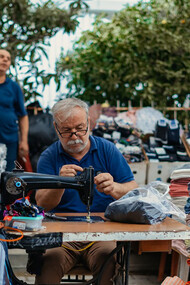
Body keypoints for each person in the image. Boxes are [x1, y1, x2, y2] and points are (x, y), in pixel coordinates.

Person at [35, 98, 138, 285]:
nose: (74, 136)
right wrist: (59, 183)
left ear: (89, 123)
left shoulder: (107, 150)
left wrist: (114, 187)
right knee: (47, 267)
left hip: (100, 235)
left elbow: (133, 190)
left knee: (108, 264)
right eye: (66, 130)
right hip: (62, 237)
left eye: (80, 128)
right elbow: (41, 203)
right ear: (56, 128)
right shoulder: (49, 157)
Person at [0, 48, 29, 171]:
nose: (5, 60)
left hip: (9, 140)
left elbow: (23, 116)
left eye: (8, 58)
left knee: (7, 177)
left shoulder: (14, 87)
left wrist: (24, 141)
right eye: (1, 56)